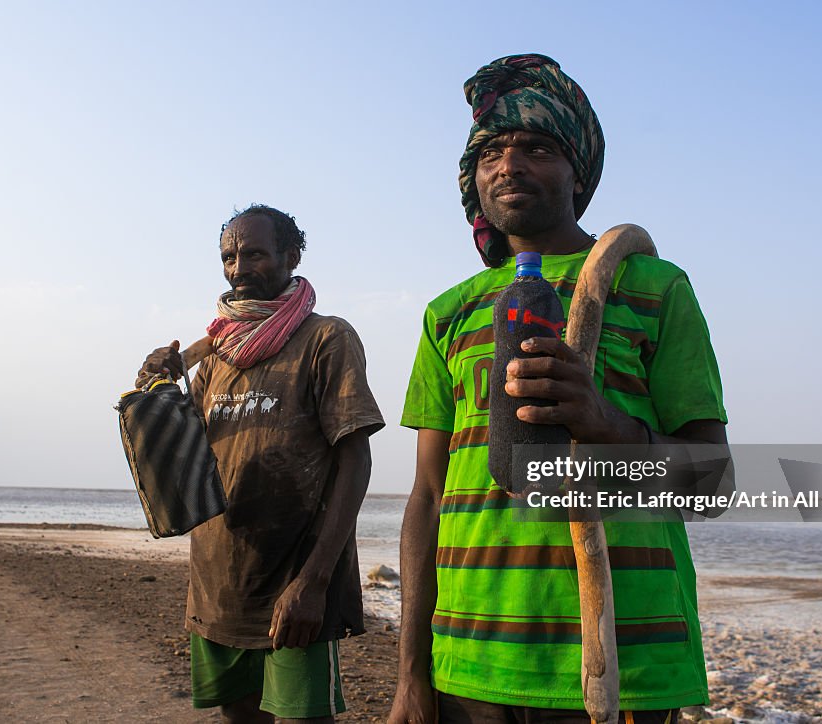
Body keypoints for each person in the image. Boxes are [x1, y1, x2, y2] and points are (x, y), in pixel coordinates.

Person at [389, 54, 729, 723]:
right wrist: (411, 674)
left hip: (620, 661)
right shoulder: (449, 312)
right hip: (470, 661)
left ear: (578, 171)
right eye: (490, 152)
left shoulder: (654, 287)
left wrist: (602, 421)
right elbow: (429, 498)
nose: (509, 165)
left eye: (537, 148)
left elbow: (709, 484)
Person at [137, 204, 385, 723]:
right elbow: (181, 465)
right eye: (228, 256)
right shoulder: (215, 355)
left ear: (291, 256)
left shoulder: (326, 338)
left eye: (253, 253)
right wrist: (158, 389)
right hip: (218, 588)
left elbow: (355, 461)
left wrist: (314, 583)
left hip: (294, 586)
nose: (238, 268)